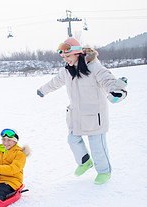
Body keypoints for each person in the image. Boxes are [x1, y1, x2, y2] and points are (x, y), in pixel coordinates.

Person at [37, 37, 128, 185]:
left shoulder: (94, 67)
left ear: (77, 53)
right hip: (76, 115)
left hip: (94, 115)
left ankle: (104, 171)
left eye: (68, 56)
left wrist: (115, 90)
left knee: (97, 146)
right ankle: (85, 162)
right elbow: (55, 82)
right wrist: (42, 90)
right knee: (72, 139)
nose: (66, 60)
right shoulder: (67, 71)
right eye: (64, 57)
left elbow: (108, 80)